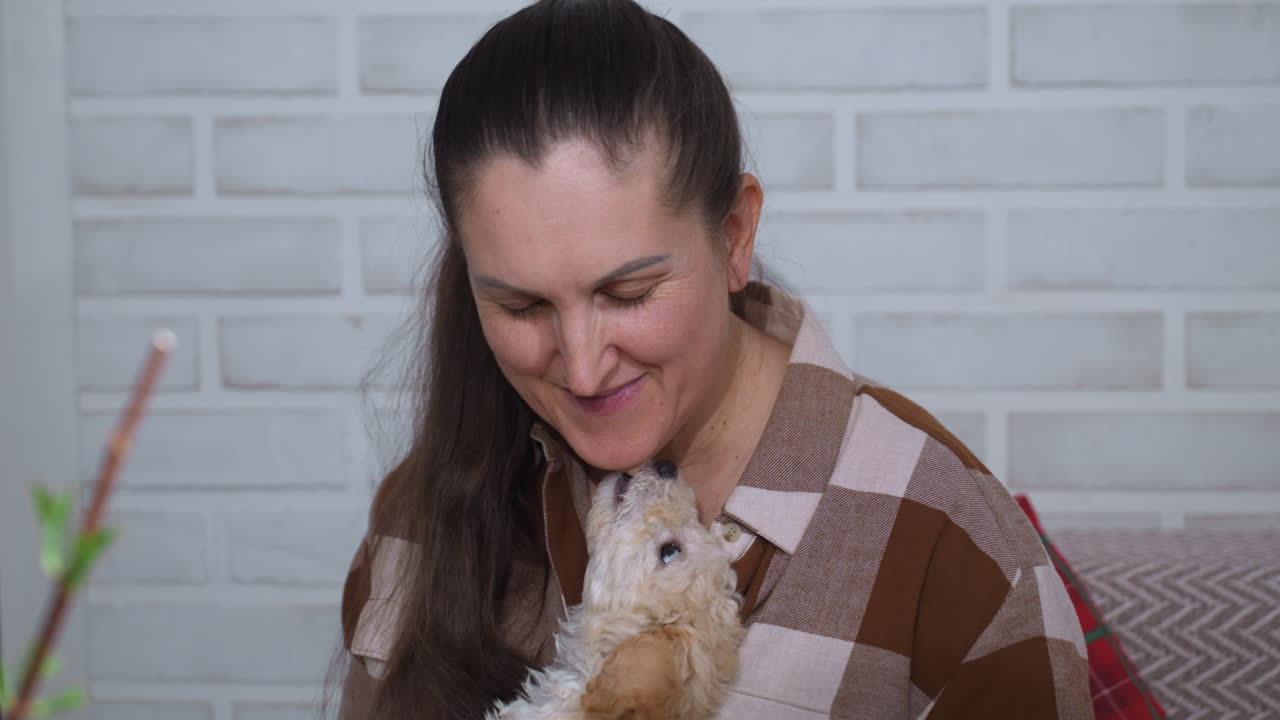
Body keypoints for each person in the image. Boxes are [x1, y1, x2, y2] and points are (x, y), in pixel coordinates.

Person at [332, 1, 1092, 718]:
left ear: (733, 237)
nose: (584, 369)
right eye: (523, 307)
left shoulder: (949, 552)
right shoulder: (423, 518)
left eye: (628, 292)